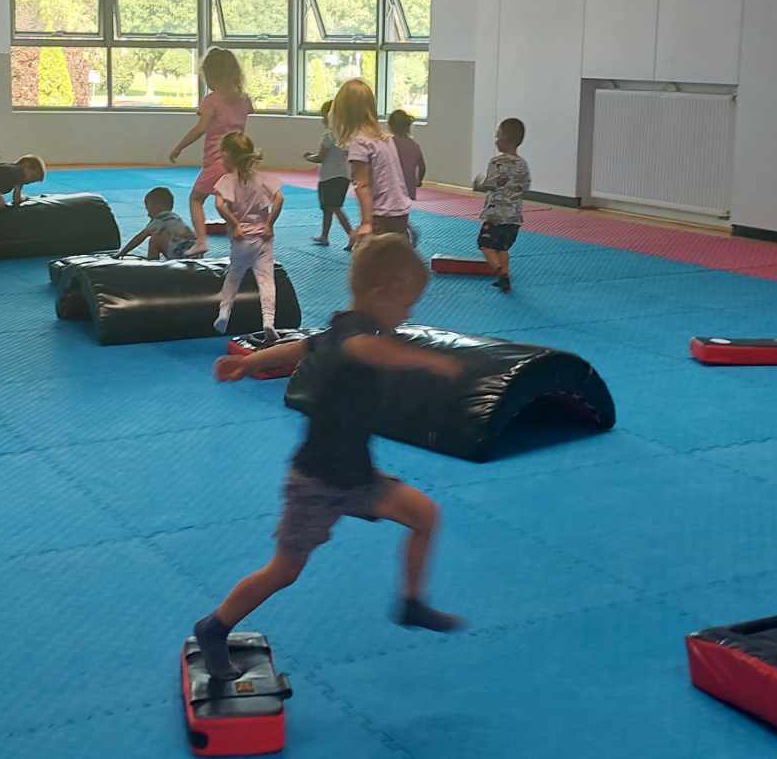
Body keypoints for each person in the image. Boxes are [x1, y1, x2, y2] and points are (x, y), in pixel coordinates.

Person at [194, 236, 466, 683]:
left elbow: (300, 347)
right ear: (382, 293)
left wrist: (248, 363)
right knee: (284, 570)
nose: (408, 314)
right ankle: (213, 627)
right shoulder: (359, 339)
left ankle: (411, 603)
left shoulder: (343, 329)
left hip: (357, 477)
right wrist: (431, 362)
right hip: (317, 482)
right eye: (406, 304)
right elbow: (363, 351)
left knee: (425, 516)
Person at [168, 49, 253, 257]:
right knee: (231, 206)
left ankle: (201, 241)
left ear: (211, 75)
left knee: (196, 199)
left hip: (218, 160)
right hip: (239, 160)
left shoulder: (211, 100)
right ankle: (241, 244)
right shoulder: (244, 99)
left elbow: (200, 128)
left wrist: (179, 147)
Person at [210, 132, 284, 336]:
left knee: (233, 278)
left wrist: (234, 224)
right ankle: (268, 321)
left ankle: (224, 314)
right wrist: (269, 224)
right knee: (266, 281)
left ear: (228, 156)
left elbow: (219, 205)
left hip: (242, 239)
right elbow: (279, 199)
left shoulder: (227, 180)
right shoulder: (262, 178)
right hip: (263, 237)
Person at [333, 80, 412, 244]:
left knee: (372, 257)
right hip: (399, 211)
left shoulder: (360, 142)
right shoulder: (384, 139)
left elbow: (363, 185)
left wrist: (366, 223)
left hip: (382, 213)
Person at [472, 119, 532, 293]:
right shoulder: (522, 164)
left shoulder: (496, 162)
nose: (496, 140)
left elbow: (490, 184)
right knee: (502, 248)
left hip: (495, 216)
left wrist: (478, 184)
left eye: (497, 136)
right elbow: (525, 186)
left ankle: (499, 271)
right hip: (513, 217)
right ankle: (505, 275)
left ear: (504, 139)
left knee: (485, 244)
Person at [302, 99, 354, 247]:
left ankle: (352, 235)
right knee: (328, 208)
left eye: (323, 116)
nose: (322, 119)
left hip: (330, 177)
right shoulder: (345, 135)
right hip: (342, 176)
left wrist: (308, 157)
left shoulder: (329, 135)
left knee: (334, 208)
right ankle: (324, 236)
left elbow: (320, 157)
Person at [116, 186, 197, 260]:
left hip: (181, 256)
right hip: (195, 254)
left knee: (154, 239)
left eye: (148, 209)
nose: (148, 214)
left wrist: (121, 253)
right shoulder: (175, 218)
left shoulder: (159, 220)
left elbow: (139, 238)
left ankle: (152, 262)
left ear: (156, 207)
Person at [388, 109, 426, 201]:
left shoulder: (388, 144)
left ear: (390, 126)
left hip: (391, 191)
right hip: (409, 191)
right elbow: (422, 167)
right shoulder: (414, 145)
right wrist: (419, 181)